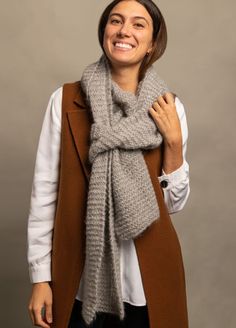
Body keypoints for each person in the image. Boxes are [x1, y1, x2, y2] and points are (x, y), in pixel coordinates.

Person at [27, 0, 190, 327]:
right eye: (116, 21)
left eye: (138, 24)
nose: (124, 31)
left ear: (152, 44)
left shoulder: (169, 109)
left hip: (149, 278)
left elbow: (172, 205)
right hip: (80, 278)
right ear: (105, 31)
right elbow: (45, 192)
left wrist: (172, 144)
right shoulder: (66, 100)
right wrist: (40, 277)